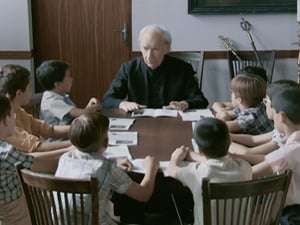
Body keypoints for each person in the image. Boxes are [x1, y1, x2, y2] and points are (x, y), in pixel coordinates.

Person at [55, 112, 159, 224]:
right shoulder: (107, 168)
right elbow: (144, 195)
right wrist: (151, 169)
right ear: (106, 142)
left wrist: (113, 164)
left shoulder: (65, 158)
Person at [101, 24, 208, 112]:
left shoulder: (183, 68)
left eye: (155, 49)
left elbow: (201, 100)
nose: (149, 56)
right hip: (140, 124)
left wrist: (185, 104)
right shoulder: (129, 68)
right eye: (145, 48)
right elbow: (107, 100)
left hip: (173, 124)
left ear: (166, 48)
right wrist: (122, 103)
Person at [0, 95, 72, 225]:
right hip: (16, 218)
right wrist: (76, 150)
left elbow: (29, 159)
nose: (14, 118)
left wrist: (69, 148)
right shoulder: (6, 153)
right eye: (11, 114)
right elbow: (47, 165)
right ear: (3, 121)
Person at [233, 87, 300, 225]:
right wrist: (234, 156)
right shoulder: (293, 143)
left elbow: (248, 174)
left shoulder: (291, 150)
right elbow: (271, 160)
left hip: (293, 214)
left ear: (281, 116)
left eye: (269, 105)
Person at [167, 117, 252, 225]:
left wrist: (175, 157)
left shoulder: (195, 173)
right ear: (230, 142)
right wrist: (197, 157)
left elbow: (171, 170)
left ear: (199, 149)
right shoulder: (245, 167)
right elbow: (221, 161)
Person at [0, 64, 71, 152]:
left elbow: (48, 129)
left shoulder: (18, 110)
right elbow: (38, 148)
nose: (31, 92)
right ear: (19, 93)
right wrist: (74, 143)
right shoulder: (6, 121)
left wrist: (77, 128)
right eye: (29, 88)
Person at [229, 79, 300, 155]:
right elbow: (253, 139)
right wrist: (230, 136)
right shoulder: (282, 127)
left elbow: (249, 152)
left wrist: (224, 141)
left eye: (266, 101)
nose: (264, 105)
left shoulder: (287, 135)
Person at [36, 60, 101, 126]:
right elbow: (81, 114)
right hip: (61, 136)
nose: (71, 79)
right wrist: (94, 108)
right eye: (69, 76)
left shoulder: (60, 95)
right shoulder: (52, 101)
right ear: (57, 84)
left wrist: (90, 104)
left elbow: (79, 115)